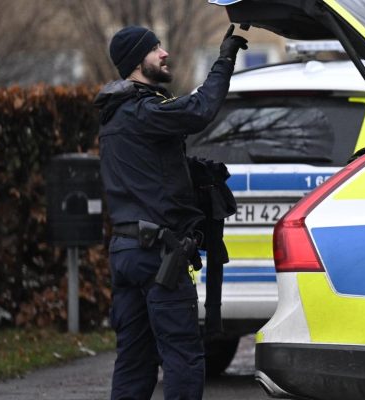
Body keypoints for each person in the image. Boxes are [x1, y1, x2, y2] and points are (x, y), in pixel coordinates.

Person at [94, 25, 248, 400]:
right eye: (155, 48)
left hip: (126, 253)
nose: (164, 53)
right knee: (182, 356)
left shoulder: (114, 118)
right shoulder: (144, 111)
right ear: (136, 62)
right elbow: (200, 110)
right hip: (157, 257)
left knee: (134, 360)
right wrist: (225, 60)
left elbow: (151, 173)